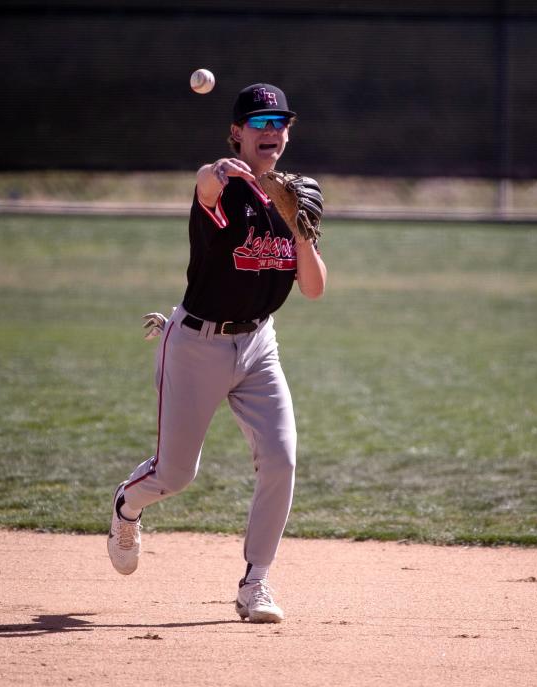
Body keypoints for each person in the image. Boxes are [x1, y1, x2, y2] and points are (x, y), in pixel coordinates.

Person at [107, 83, 326, 624]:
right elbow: (204, 187)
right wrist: (214, 171)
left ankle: (256, 583)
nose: (271, 130)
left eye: (280, 122)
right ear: (237, 132)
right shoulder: (223, 186)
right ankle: (127, 506)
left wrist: (300, 229)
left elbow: (315, 287)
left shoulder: (298, 195)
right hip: (195, 344)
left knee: (282, 459)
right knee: (176, 476)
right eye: (259, 122)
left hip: (259, 346)